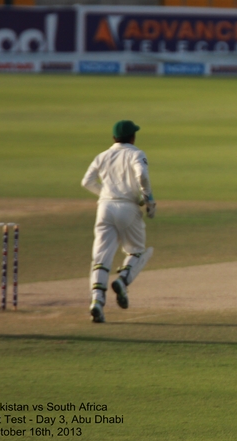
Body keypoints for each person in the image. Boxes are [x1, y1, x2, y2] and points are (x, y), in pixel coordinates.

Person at [81, 120, 156, 323]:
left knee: (101, 258)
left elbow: (86, 181)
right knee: (137, 252)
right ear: (132, 137)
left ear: (114, 138)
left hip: (104, 208)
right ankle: (122, 281)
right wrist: (148, 199)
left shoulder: (102, 156)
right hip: (128, 206)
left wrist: (105, 193)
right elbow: (142, 175)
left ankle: (96, 302)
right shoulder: (136, 153)